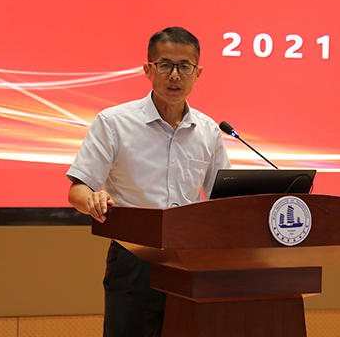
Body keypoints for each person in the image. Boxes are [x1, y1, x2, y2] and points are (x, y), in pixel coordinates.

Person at [66, 26, 231, 337]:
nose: (175, 75)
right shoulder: (114, 122)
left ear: (197, 73)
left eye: (185, 66)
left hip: (190, 260)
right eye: (165, 65)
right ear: (148, 69)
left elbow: (223, 199)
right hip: (134, 259)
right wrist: (92, 199)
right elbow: (78, 189)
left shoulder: (209, 131)